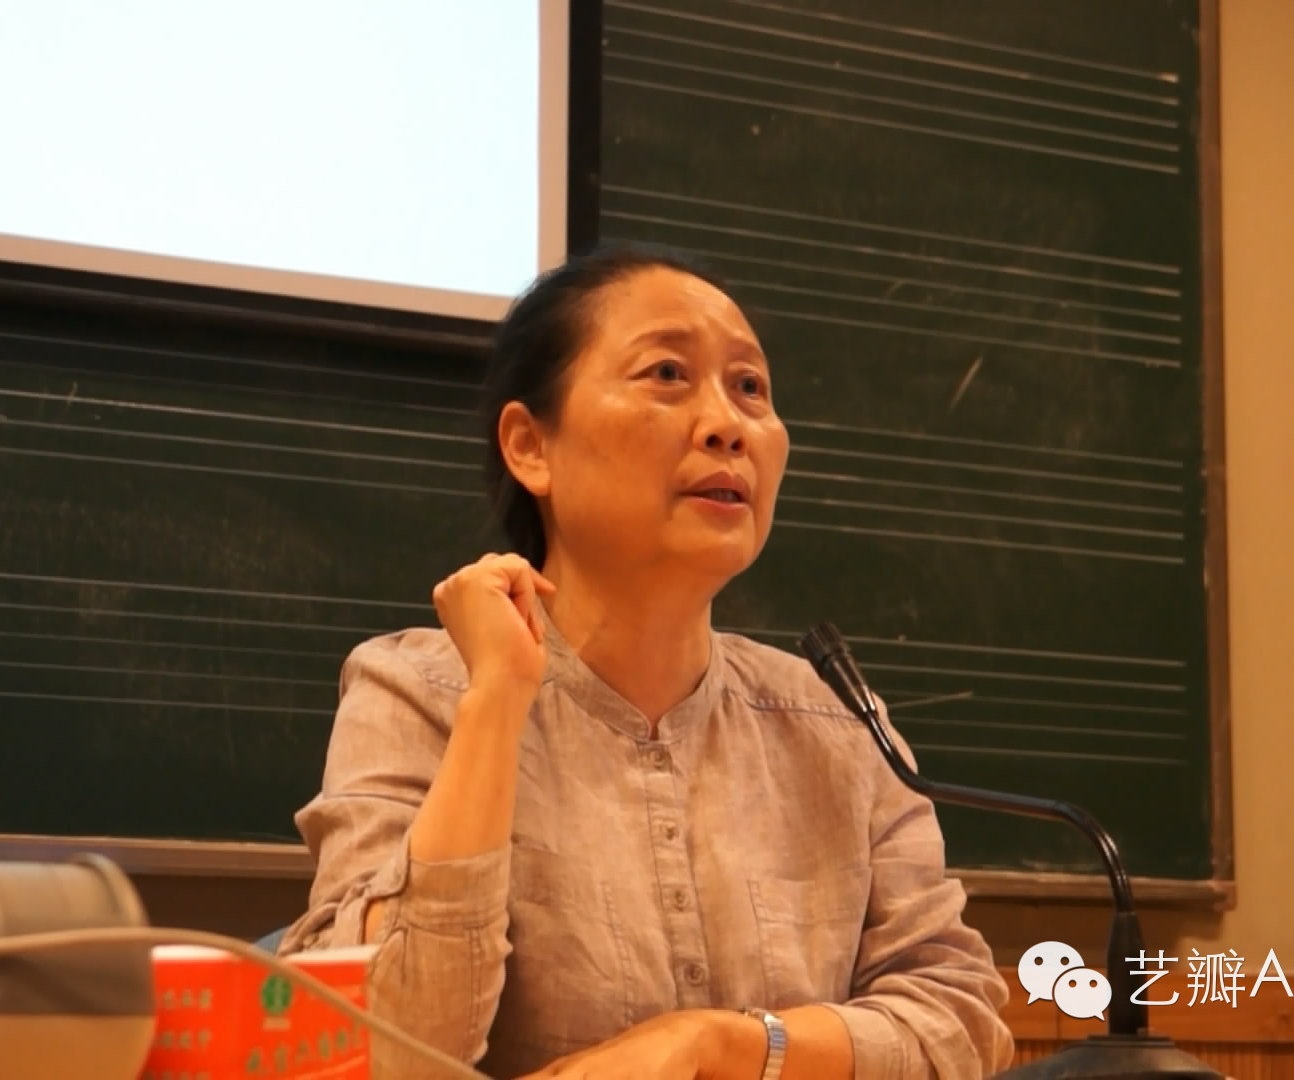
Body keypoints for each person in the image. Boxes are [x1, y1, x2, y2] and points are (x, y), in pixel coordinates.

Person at [276, 243, 1014, 1079]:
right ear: (530, 447)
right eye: (667, 374)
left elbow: (962, 1021)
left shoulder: (835, 723)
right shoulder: (416, 691)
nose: (727, 425)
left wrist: (723, 1044)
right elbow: (380, 1051)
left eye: (750, 387)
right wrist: (496, 704)